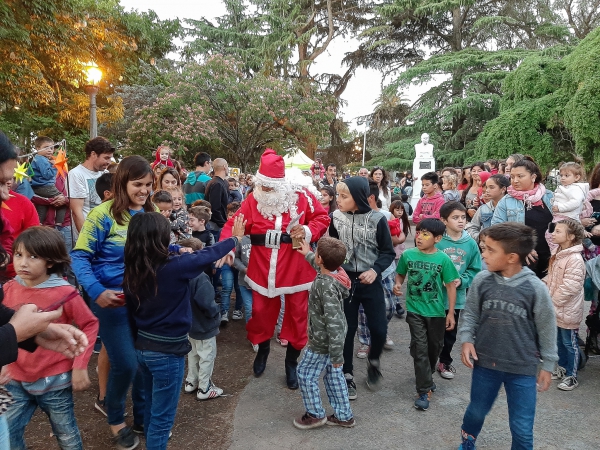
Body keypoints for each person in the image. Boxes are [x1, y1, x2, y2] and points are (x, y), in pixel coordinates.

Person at [122, 213, 242, 449]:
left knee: (150, 407)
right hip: (167, 352)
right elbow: (206, 254)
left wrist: (178, 250)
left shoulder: (132, 267)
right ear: (159, 239)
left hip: (143, 348)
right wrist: (234, 240)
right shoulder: (174, 268)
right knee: (162, 418)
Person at [219, 149, 330, 390]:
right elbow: (232, 225)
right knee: (259, 313)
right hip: (262, 267)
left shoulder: (301, 197)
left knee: (298, 317)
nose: (265, 191)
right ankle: (263, 349)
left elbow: (322, 218)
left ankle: (291, 362)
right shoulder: (252, 200)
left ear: (280, 184)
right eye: (263, 186)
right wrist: (228, 248)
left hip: (296, 267)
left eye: (270, 187)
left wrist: (308, 231)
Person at [71, 155, 159, 450]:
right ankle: (115, 417)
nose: (144, 190)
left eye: (148, 184)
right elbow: (80, 256)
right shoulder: (102, 215)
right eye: (138, 184)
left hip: (145, 302)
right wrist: (97, 291)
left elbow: (159, 251)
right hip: (112, 301)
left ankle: (143, 417)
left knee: (145, 362)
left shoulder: (152, 211)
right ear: (122, 182)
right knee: (126, 364)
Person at [457, 223, 558, 450]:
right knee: (476, 411)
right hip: (486, 364)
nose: (484, 254)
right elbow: (471, 313)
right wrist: (466, 339)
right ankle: (467, 442)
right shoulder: (482, 280)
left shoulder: (535, 288)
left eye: (491, 250)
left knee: (522, 427)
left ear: (512, 257)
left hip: (522, 369)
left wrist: (548, 364)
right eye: (484, 248)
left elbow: (547, 326)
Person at [2, 227, 98, 450]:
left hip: (54, 381)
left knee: (65, 433)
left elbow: (90, 323)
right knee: (7, 429)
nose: (23, 263)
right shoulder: (7, 289)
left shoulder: (65, 293)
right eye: (18, 254)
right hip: (14, 379)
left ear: (51, 261)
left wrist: (80, 365)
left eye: (33, 256)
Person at [329, 177, 395, 398]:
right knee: (347, 330)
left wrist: (375, 269)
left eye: (344, 196)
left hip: (370, 281)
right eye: (338, 195)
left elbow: (388, 252)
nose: (338, 200)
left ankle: (373, 361)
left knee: (379, 329)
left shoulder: (378, 219)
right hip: (345, 282)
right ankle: (347, 376)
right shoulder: (335, 218)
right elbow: (333, 247)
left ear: (358, 198)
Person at [393, 219, 459, 411]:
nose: (419, 237)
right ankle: (423, 391)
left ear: (437, 238)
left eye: (425, 234)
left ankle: (426, 377)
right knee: (421, 349)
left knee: (434, 348)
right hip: (415, 311)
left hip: (437, 313)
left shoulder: (443, 260)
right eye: (419, 232)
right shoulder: (408, 255)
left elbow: (450, 287)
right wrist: (397, 285)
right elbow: (401, 275)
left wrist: (451, 313)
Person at [293, 237, 354, 430]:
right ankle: (344, 416)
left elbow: (333, 321)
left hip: (323, 341)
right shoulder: (338, 273)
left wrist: (337, 354)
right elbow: (324, 267)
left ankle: (315, 414)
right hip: (333, 340)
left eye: (316, 254)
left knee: (304, 373)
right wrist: (309, 254)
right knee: (333, 376)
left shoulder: (324, 285)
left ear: (320, 259)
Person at [435, 203, 481, 380]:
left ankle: (444, 361)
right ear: (444, 220)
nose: (461, 221)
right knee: (432, 332)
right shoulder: (438, 241)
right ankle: (428, 360)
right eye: (455, 218)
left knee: (449, 333)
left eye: (463, 217)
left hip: (456, 298)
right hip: (434, 296)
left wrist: (462, 280)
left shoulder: (470, 243)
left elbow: (475, 269)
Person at [491, 159, 554, 278]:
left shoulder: (549, 196)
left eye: (520, 176)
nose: (515, 180)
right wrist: (521, 247)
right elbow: (496, 229)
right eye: (512, 176)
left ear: (533, 177)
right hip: (521, 261)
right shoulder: (506, 201)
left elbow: (563, 222)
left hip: (552, 257)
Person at [544, 219, 585, 391]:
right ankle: (561, 368)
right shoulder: (558, 253)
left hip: (567, 309)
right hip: (556, 308)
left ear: (571, 236)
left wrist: (551, 301)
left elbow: (570, 286)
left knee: (570, 343)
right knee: (559, 341)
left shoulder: (574, 258)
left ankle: (571, 375)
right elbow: (551, 278)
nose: (553, 234)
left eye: (558, 231)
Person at [68, 137, 114, 234]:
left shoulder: (105, 173)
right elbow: (77, 213)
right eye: (106, 158)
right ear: (93, 154)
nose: (109, 162)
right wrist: (86, 240)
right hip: (87, 234)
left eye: (110, 158)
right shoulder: (76, 174)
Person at [3, 180, 40, 278]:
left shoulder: (23, 202)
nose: (8, 182)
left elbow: (34, 238)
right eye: (3, 178)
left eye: (11, 177)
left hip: (15, 273)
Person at [29, 137, 67, 224]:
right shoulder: (41, 159)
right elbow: (47, 175)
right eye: (46, 147)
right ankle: (59, 223)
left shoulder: (37, 159)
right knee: (63, 201)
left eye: (51, 148)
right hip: (46, 186)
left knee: (42, 205)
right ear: (38, 148)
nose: (49, 150)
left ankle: (39, 223)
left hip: (38, 187)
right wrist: (55, 166)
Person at [465, 175, 510, 242]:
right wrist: (481, 238)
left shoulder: (512, 208)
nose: (487, 190)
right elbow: (472, 227)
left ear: (503, 189)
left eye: (491, 187)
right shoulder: (484, 209)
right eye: (486, 187)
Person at [205, 158, 229, 240]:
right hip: (215, 226)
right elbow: (215, 208)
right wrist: (224, 224)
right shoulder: (217, 184)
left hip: (216, 225)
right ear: (224, 167)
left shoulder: (217, 182)